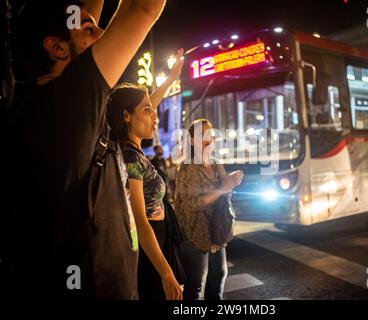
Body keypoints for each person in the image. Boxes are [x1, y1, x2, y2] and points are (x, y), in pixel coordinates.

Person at [5, 0, 167, 299]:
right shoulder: (70, 99)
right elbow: (143, 8)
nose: (103, 33)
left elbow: (81, 11)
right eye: (90, 30)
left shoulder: (36, 105)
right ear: (56, 47)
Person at [107, 49, 185, 300]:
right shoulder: (129, 158)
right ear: (127, 116)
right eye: (148, 111)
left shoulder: (134, 152)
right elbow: (140, 221)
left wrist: (171, 79)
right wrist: (166, 274)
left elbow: (145, 102)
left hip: (156, 244)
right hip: (147, 250)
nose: (155, 116)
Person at [174, 119, 244, 300]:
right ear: (191, 140)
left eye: (211, 134)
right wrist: (224, 187)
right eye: (202, 135)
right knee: (196, 285)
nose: (209, 139)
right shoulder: (187, 167)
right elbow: (192, 203)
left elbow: (223, 193)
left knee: (218, 276)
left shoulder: (215, 163)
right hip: (194, 235)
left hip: (217, 232)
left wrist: (231, 181)